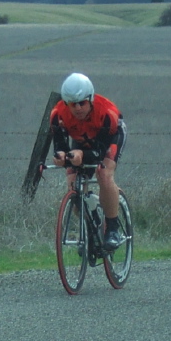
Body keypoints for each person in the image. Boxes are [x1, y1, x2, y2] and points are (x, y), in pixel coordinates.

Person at [51, 72, 127, 249]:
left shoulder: (107, 113)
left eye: (82, 103)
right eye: (72, 104)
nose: (77, 108)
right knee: (73, 184)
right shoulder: (58, 115)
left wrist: (81, 155)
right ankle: (92, 226)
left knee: (104, 174)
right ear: (65, 103)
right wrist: (61, 156)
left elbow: (99, 152)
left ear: (91, 99)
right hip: (82, 141)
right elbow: (60, 145)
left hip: (109, 138)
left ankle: (113, 229)